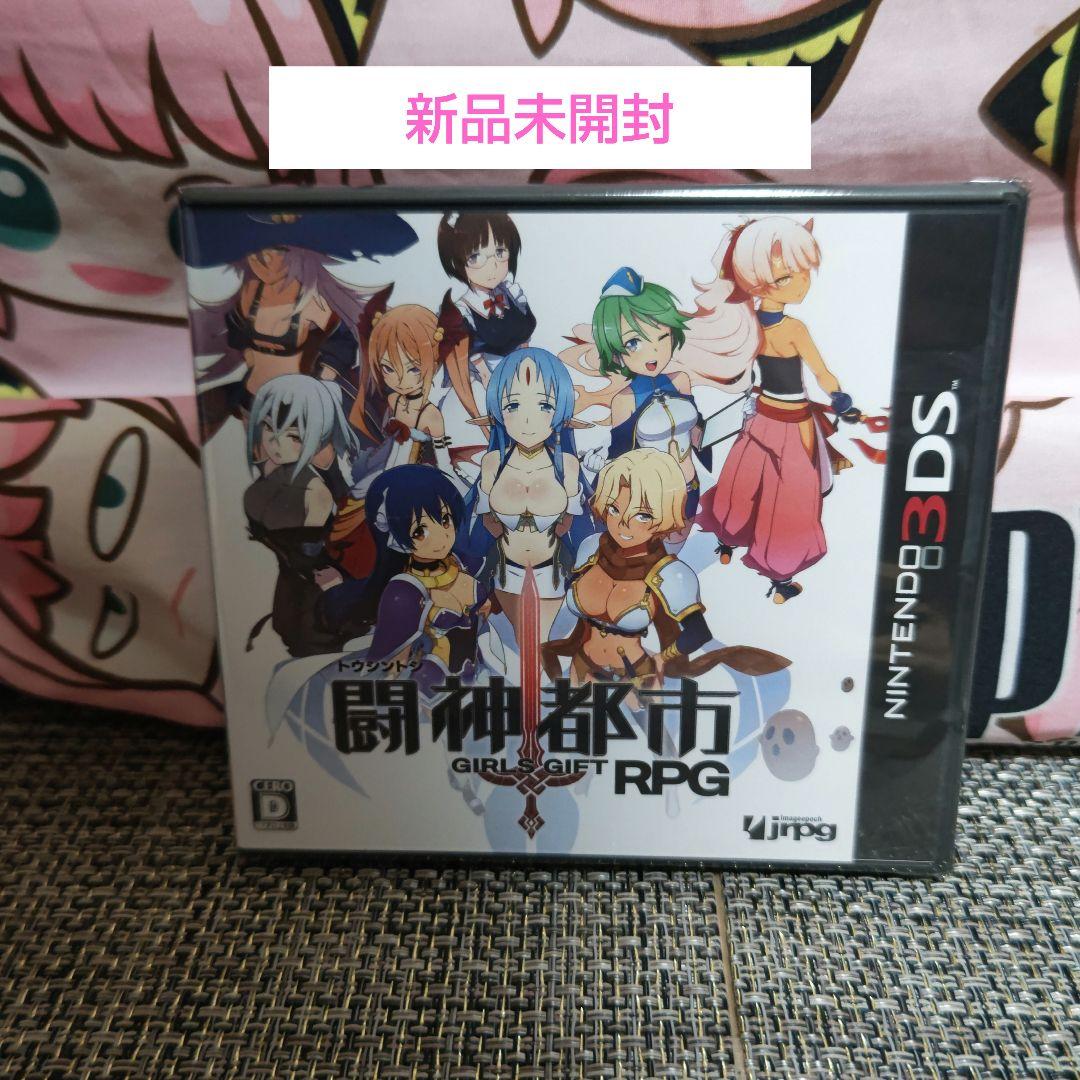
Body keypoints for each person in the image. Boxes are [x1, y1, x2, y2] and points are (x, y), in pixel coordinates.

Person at [542, 448, 788, 686]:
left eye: (642, 515)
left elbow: (698, 633)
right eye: (615, 509)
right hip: (581, 666)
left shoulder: (670, 574)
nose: (623, 524)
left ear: (664, 515)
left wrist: (662, 659)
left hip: (636, 676)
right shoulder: (591, 548)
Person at [243, 374, 359, 657]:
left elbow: (312, 556)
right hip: (286, 591)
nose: (276, 443)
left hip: (313, 599)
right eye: (269, 427)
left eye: (293, 436)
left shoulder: (315, 493)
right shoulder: (270, 479)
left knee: (307, 641)